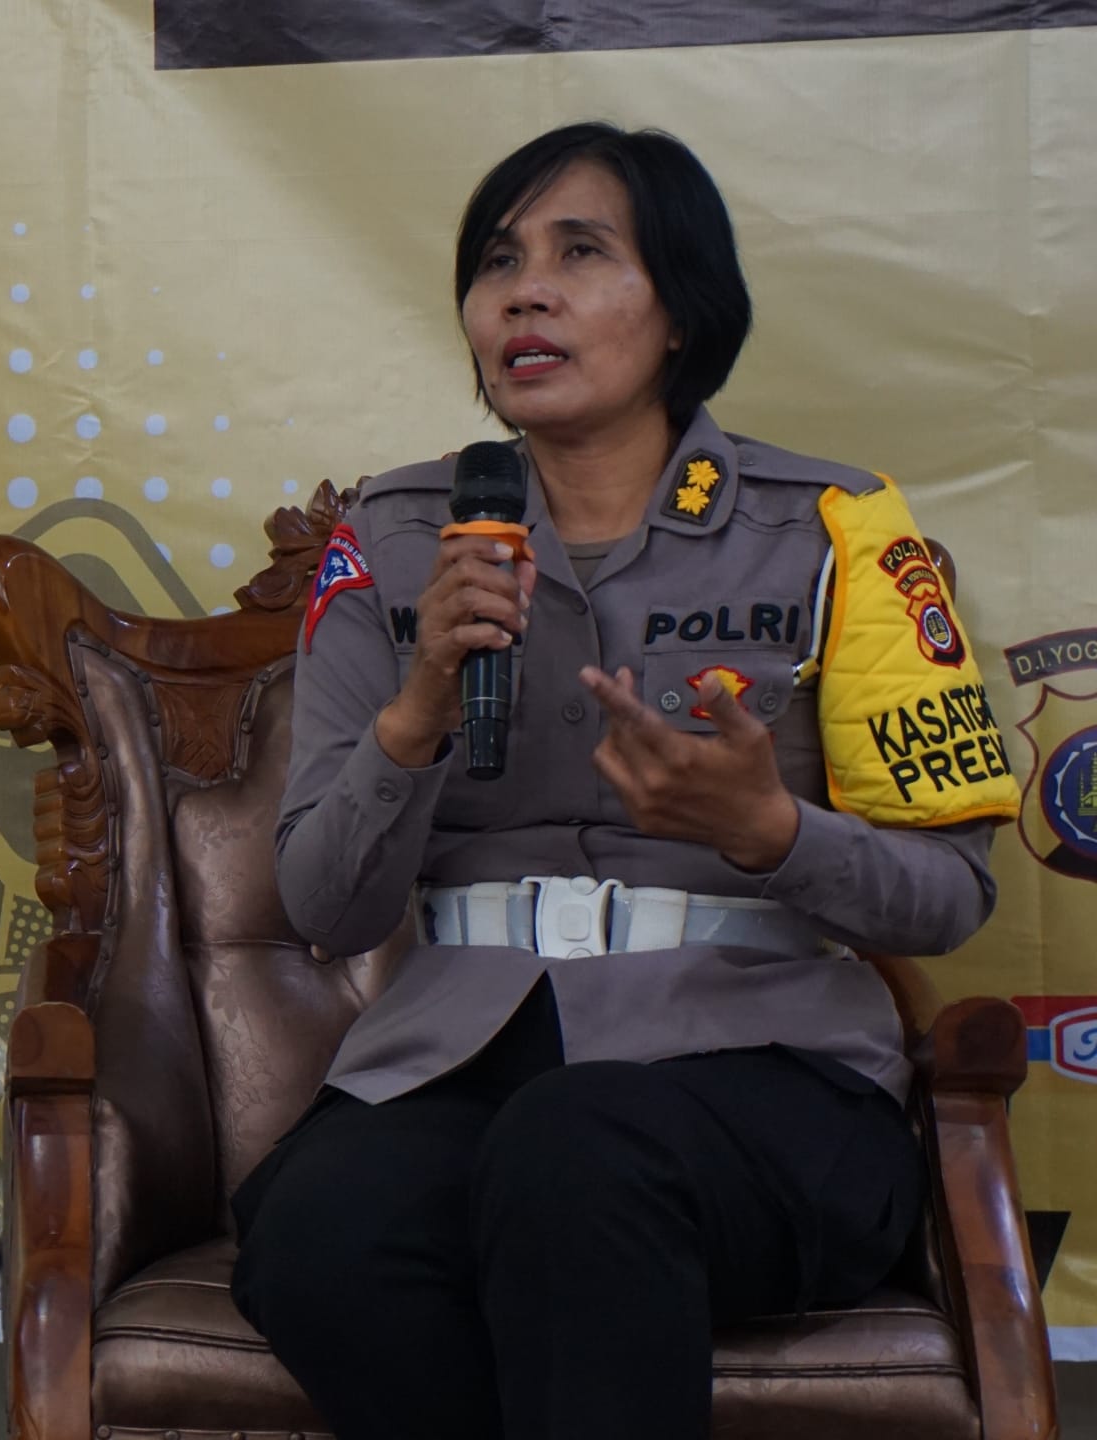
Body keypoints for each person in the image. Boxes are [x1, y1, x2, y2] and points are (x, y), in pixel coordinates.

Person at [229, 123, 1020, 1439]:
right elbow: (326, 904)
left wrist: (771, 832)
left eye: (579, 253)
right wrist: (418, 710)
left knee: (578, 1146)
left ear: (680, 312)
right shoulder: (394, 539)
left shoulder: (835, 531)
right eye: (497, 263)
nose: (522, 294)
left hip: (766, 1074)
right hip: (456, 1065)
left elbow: (950, 897)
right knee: (322, 1233)